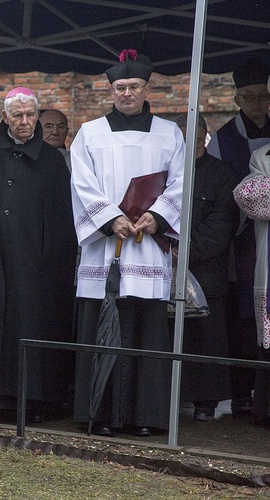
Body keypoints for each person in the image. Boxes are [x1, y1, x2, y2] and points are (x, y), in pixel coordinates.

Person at [70, 50, 184, 437]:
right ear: (111, 90)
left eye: (134, 86)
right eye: (120, 87)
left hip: (148, 246)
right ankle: (100, 415)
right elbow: (82, 183)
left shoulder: (170, 132)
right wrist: (109, 217)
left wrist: (160, 215)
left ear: (146, 88)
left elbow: (182, 182)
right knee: (102, 323)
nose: (127, 93)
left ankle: (144, 417)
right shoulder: (90, 132)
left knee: (146, 330)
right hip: (106, 249)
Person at [0, 87, 77, 423]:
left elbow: (63, 219)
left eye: (30, 114)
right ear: (5, 118)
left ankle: (32, 401)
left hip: (34, 262)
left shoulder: (52, 160)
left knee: (28, 322)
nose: (25, 121)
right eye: (17, 115)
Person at [206, 59, 270, 415]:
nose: (257, 103)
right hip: (242, 238)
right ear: (236, 99)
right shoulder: (223, 139)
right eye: (249, 97)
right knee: (243, 313)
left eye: (263, 96)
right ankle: (243, 389)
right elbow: (221, 188)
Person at [173, 113, 238, 420]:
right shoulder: (164, 172)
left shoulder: (223, 175)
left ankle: (205, 403)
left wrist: (177, 248)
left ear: (204, 138)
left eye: (195, 140)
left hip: (206, 272)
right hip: (163, 271)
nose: (190, 146)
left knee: (206, 341)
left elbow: (221, 227)